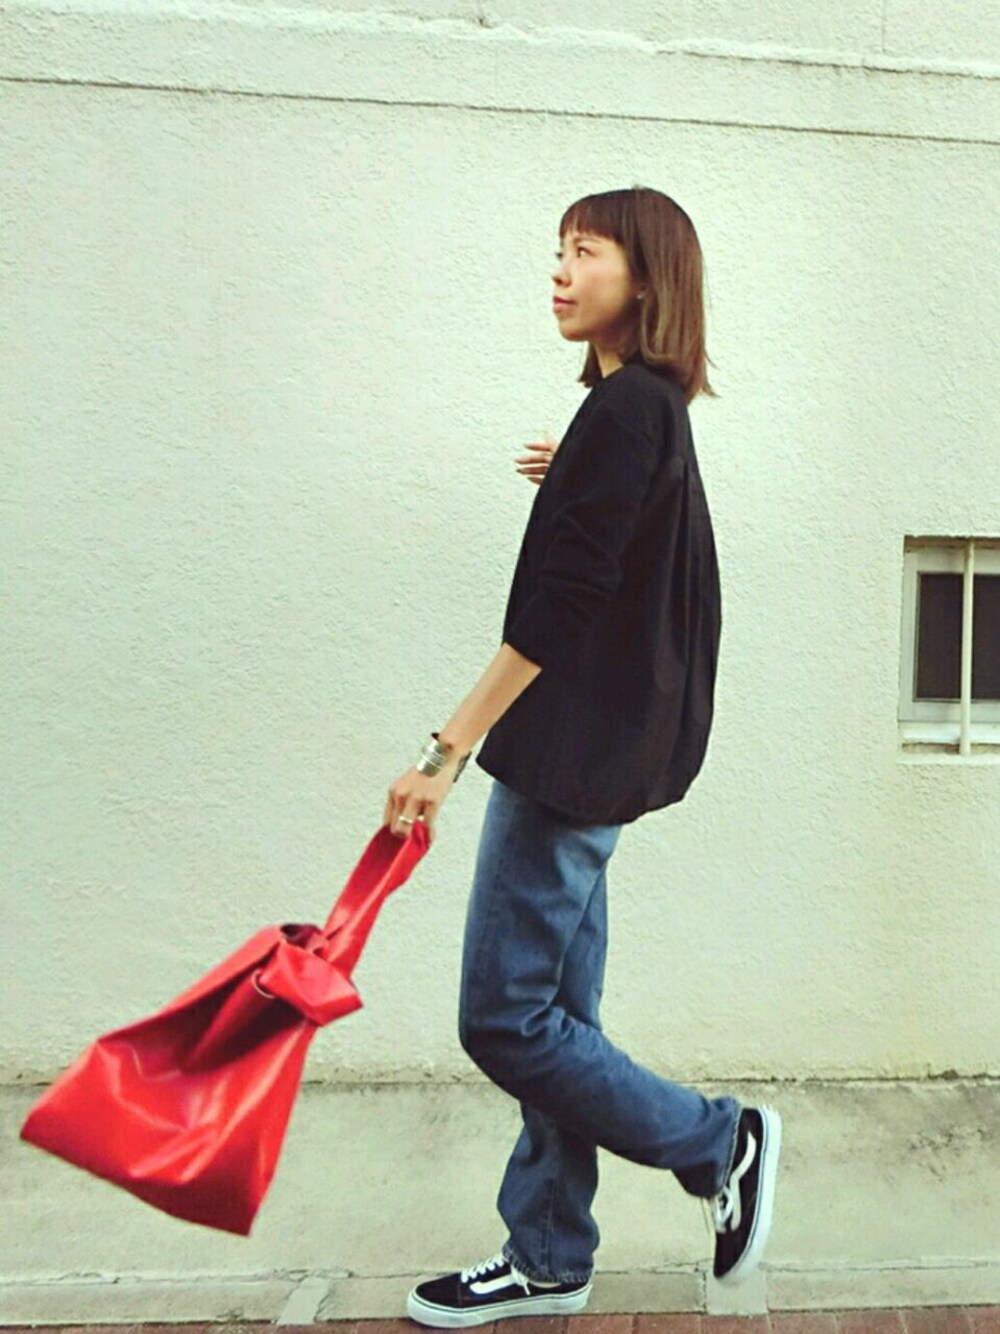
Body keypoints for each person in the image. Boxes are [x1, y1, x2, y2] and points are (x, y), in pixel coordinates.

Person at [382, 186, 782, 1327]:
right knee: (559, 1012)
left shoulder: (630, 410)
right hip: (587, 755)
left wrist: (445, 749)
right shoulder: (631, 411)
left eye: (585, 251)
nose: (559, 272)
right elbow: (635, 539)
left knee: (504, 1019)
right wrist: (578, 466)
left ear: (644, 278)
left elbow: (563, 605)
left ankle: (719, 1141)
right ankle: (550, 1249)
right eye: (556, 251)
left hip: (563, 761)